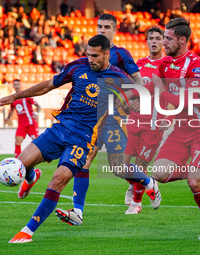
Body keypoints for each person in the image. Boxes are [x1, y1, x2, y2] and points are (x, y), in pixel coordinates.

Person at [0, 35, 160, 243]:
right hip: (59, 129)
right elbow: (49, 85)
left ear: (107, 54)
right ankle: (31, 176)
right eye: (88, 54)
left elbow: (141, 94)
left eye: (95, 56)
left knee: (59, 179)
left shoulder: (118, 77)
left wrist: (134, 103)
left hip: (83, 139)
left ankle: (28, 230)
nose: (90, 59)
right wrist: (16, 96)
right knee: (20, 164)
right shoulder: (78, 66)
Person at [120, 17, 200, 240]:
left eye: (168, 38)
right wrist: (132, 99)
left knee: (195, 183)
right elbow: (153, 91)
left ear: (182, 40)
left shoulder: (198, 66)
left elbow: (185, 101)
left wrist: (161, 91)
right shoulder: (165, 65)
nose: (163, 42)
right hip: (181, 129)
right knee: (159, 173)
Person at [55, 13, 154, 225]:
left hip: (112, 119)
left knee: (118, 169)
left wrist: (133, 100)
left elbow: (137, 84)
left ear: (115, 30)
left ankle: (147, 182)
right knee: (83, 161)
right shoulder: (91, 53)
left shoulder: (121, 54)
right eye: (99, 26)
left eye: (107, 26)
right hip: (89, 120)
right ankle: (78, 212)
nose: (102, 30)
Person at [123, 26, 169, 214]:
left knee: (141, 165)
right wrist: (130, 101)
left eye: (158, 38)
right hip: (134, 120)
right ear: (147, 41)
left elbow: (169, 95)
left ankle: (136, 203)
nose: (154, 41)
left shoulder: (168, 65)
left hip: (153, 122)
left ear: (164, 41)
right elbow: (132, 87)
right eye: (151, 38)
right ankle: (144, 182)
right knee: (120, 165)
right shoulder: (139, 63)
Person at [5, 79, 41, 158]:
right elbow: (12, 109)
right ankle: (17, 161)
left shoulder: (27, 95)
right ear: (13, 86)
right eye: (15, 85)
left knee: (37, 143)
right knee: (17, 142)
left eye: (18, 84)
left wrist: (36, 113)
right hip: (21, 124)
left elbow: (38, 106)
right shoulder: (13, 98)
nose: (17, 86)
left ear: (21, 85)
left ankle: (39, 157)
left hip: (31, 123)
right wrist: (7, 118)